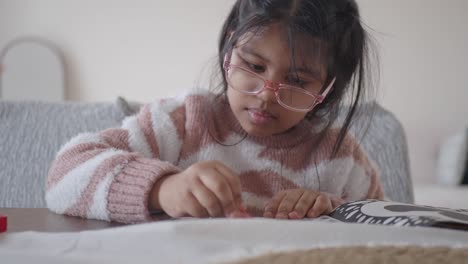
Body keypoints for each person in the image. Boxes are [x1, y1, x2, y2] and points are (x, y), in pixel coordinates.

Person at [46, 0, 384, 224]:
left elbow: (391, 234)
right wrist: (163, 188)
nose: (266, 95)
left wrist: (331, 211)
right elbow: (63, 176)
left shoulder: (341, 158)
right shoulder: (183, 120)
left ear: (327, 90)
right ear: (229, 50)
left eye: (296, 81)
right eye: (254, 65)